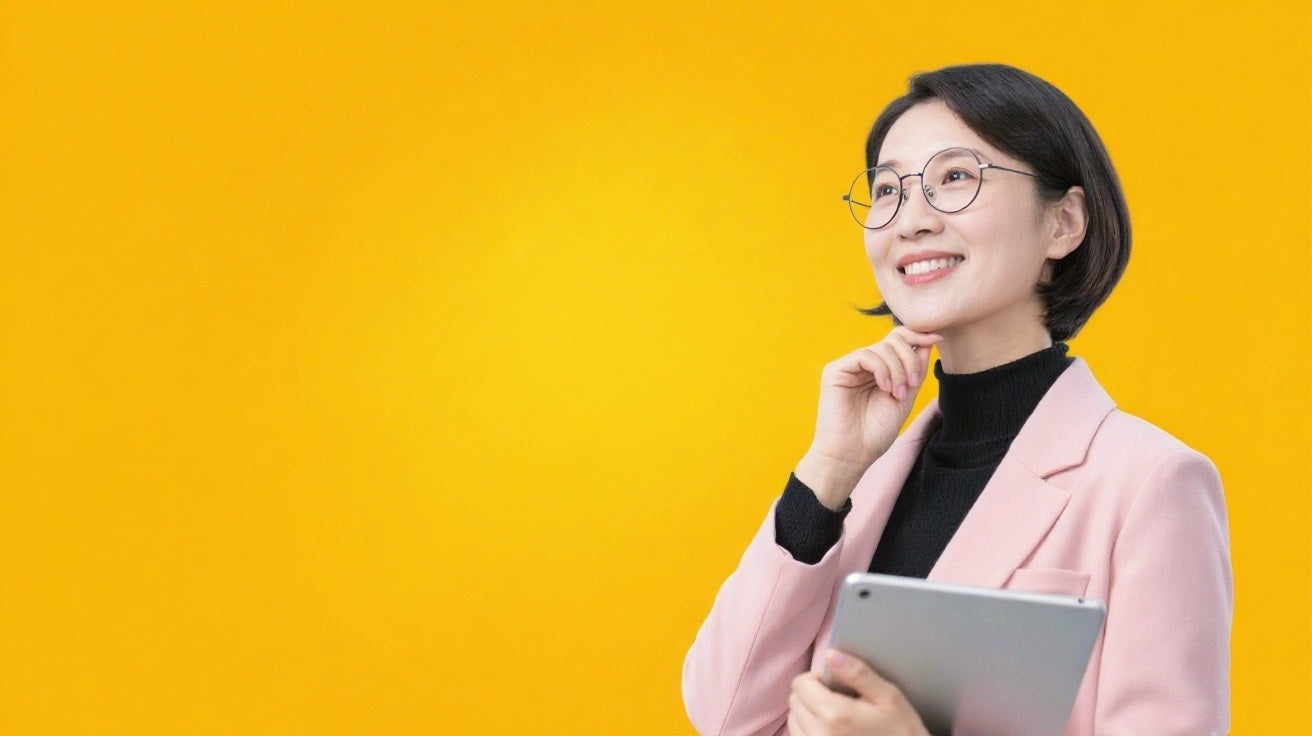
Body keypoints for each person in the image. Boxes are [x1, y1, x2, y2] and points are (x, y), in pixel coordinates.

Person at [681, 63, 1233, 736]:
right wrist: (829, 468)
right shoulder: (862, 482)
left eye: (955, 178)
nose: (911, 220)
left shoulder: (1151, 482)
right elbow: (725, 714)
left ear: (1063, 223)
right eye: (888, 190)